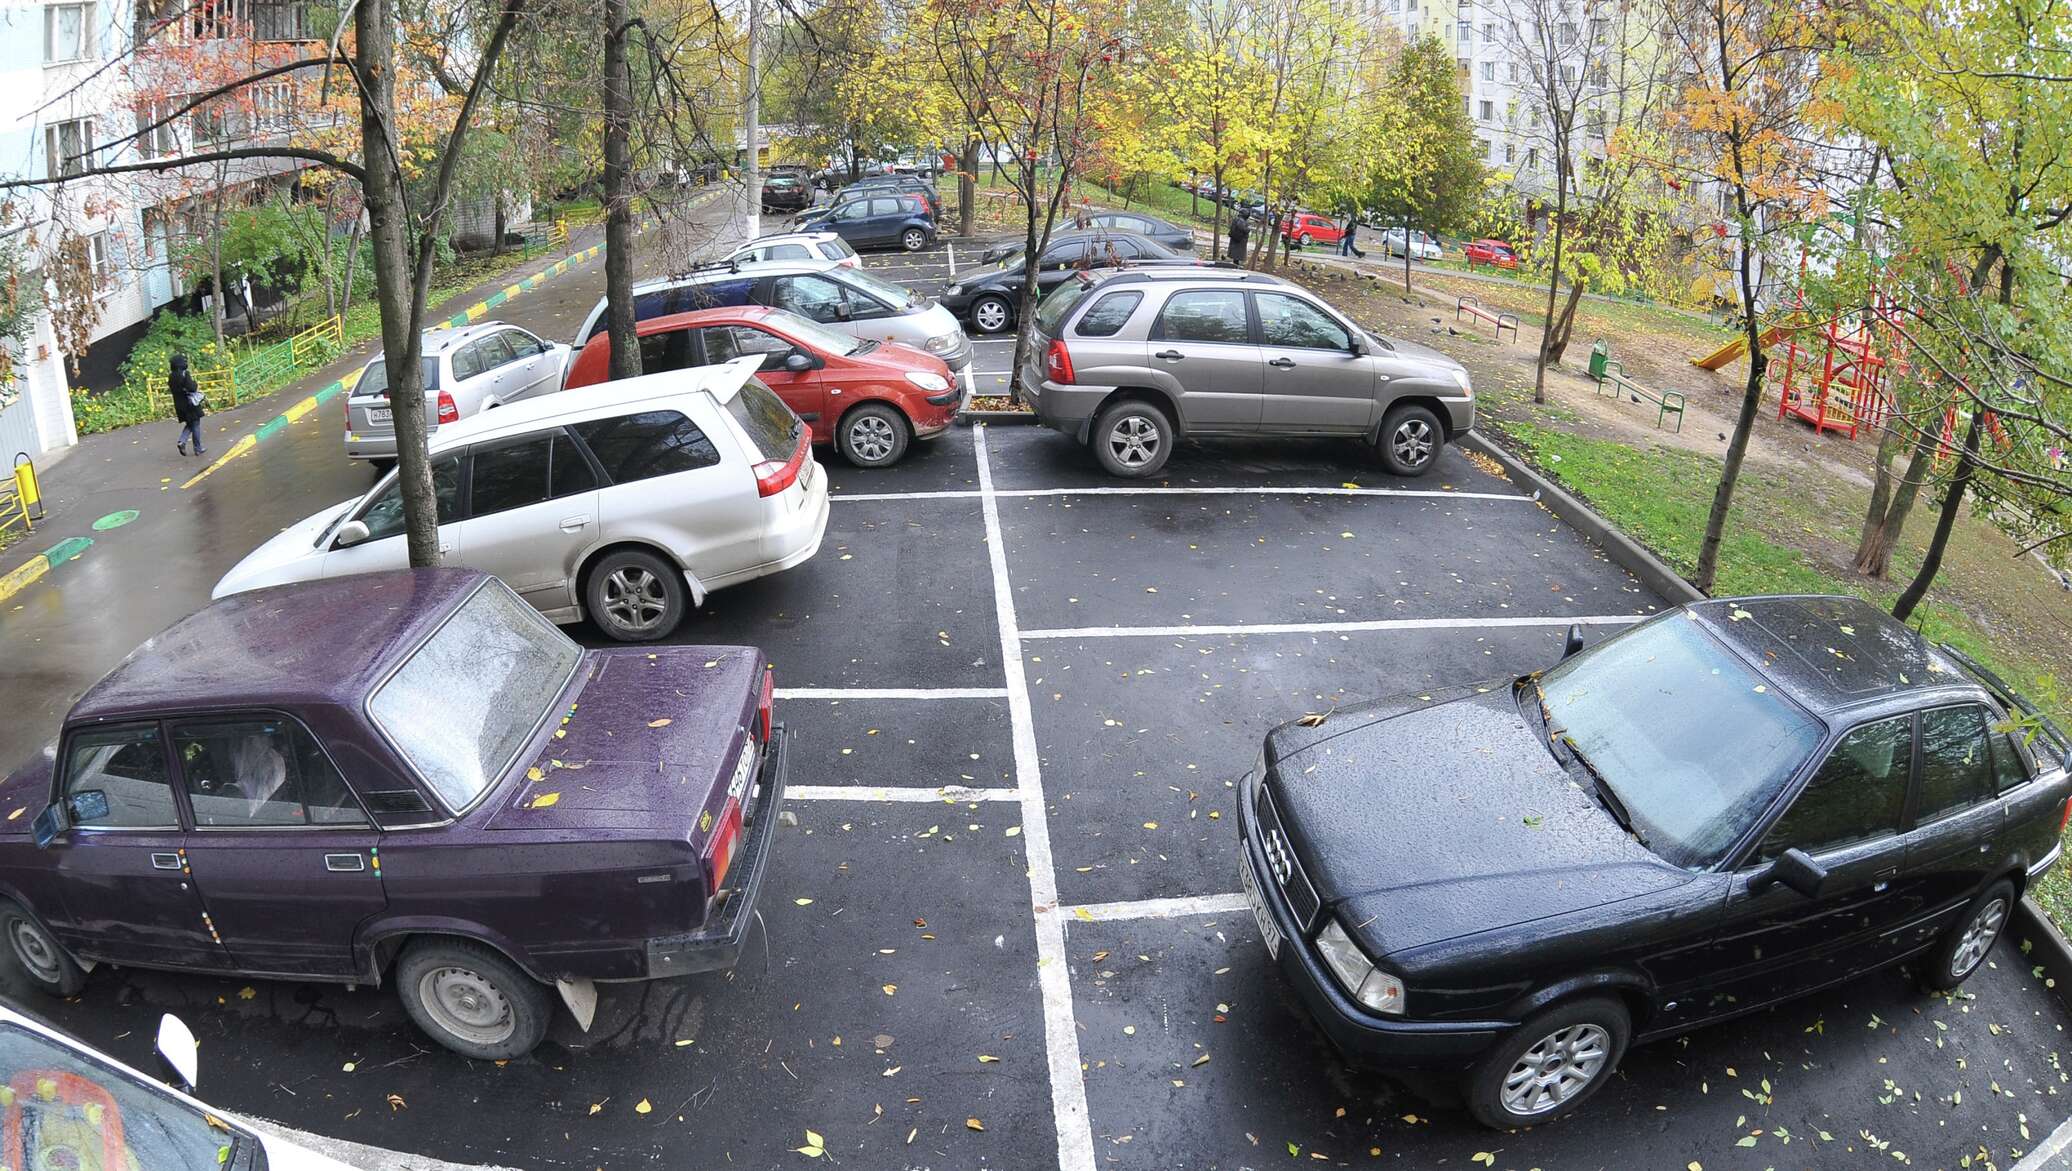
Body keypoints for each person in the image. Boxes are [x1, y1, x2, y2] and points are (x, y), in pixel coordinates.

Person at [169, 353, 207, 457]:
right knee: (195, 424)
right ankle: (198, 448)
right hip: (189, 403)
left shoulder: (171, 376)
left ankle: (182, 441)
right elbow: (192, 387)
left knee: (190, 423)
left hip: (179, 404)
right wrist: (195, 383)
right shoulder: (185, 374)